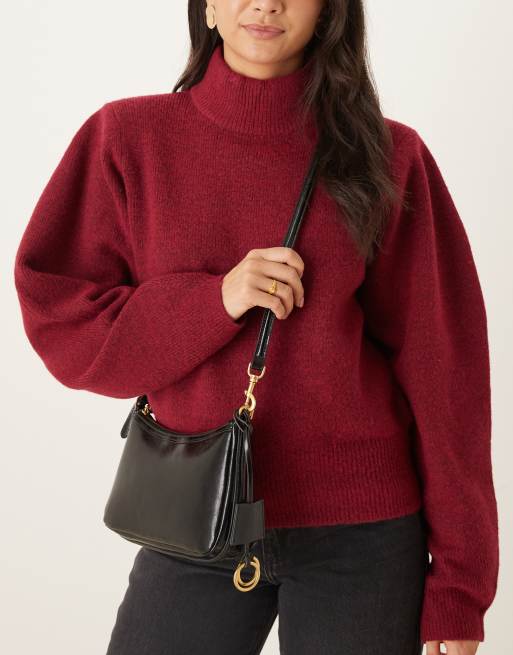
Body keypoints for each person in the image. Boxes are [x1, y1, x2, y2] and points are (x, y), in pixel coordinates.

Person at [13, 1, 499, 654]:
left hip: (362, 536)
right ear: (208, 7)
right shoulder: (127, 139)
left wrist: (460, 585)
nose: (267, 2)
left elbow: (446, 373)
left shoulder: (389, 156)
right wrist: (214, 300)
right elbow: (64, 320)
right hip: (193, 519)